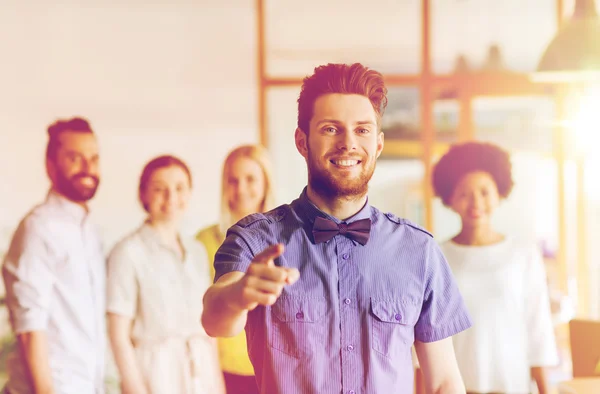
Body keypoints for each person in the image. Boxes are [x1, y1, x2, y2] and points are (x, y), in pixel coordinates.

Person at [201, 63, 472, 394]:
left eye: (362, 130)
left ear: (379, 144)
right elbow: (215, 320)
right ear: (302, 141)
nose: (348, 143)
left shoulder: (420, 251)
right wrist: (238, 294)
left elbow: (444, 381)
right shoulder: (253, 238)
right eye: (331, 129)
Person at [433, 141, 558, 394]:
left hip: (513, 386)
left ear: (499, 193)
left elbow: (538, 329)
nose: (475, 202)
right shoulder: (437, 257)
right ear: (450, 198)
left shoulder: (523, 253)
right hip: (458, 387)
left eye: (484, 191)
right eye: (464, 193)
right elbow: (429, 336)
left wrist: (547, 390)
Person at [2, 117, 106, 394]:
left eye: (93, 158)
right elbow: (29, 326)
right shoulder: (38, 228)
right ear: (50, 165)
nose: (88, 168)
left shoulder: (92, 231)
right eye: (75, 158)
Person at [106, 155, 224, 394]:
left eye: (179, 188)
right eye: (160, 189)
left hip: (201, 373)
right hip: (156, 376)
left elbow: (208, 327)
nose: (171, 198)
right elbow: (118, 335)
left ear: (189, 193)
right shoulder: (127, 252)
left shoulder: (197, 250)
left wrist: (218, 385)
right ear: (143, 195)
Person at [196, 144, 274, 394]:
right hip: (223, 372)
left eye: (250, 179)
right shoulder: (204, 241)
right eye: (233, 180)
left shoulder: (288, 238)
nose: (240, 189)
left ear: (265, 183)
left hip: (276, 368)